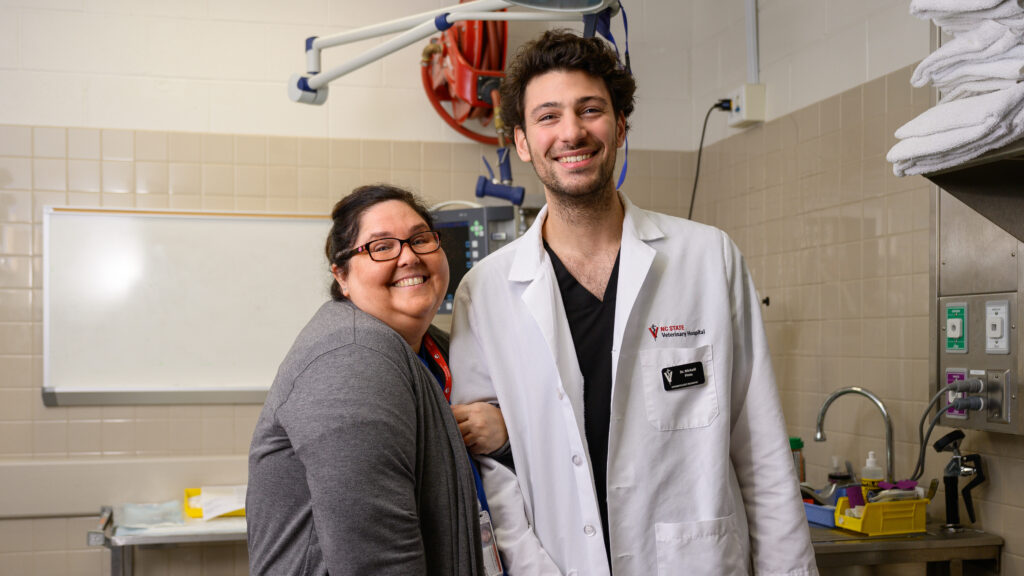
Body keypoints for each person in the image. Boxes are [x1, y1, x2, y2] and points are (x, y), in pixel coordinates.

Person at [449, 30, 818, 575]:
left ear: (620, 126)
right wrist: (531, 565)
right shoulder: (484, 291)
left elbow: (759, 443)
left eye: (590, 109)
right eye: (548, 116)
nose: (571, 132)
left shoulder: (706, 258)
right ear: (522, 142)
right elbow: (492, 472)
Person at [247, 184, 503, 576]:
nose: (410, 257)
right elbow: (377, 563)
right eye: (381, 247)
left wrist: (503, 434)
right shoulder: (351, 358)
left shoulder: (440, 348)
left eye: (420, 239)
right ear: (342, 275)